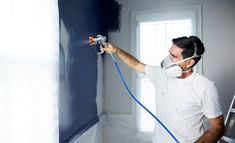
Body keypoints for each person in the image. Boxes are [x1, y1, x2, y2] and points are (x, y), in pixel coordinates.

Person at [101, 36, 225, 143]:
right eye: (169, 54)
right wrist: (116, 50)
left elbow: (217, 128)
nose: (167, 59)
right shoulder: (161, 74)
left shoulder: (205, 87)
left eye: (173, 56)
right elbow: (137, 64)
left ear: (189, 63)